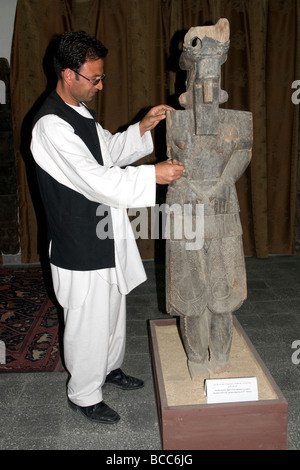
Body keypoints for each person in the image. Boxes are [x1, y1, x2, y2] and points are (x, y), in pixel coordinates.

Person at [30, 31, 184, 424]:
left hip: (102, 230)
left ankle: (109, 368)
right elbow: (95, 181)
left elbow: (109, 153)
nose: (100, 85)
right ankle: (83, 393)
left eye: (101, 78)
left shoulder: (81, 114)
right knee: (88, 321)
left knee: (113, 311)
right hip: (77, 242)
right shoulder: (50, 126)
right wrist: (153, 176)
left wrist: (143, 128)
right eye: (94, 78)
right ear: (68, 74)